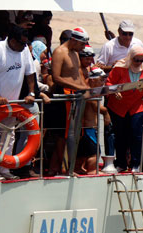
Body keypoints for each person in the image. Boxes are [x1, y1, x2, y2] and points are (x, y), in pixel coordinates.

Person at [0, 25, 37, 181]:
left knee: (9, 135)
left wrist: (31, 93)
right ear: (12, 40)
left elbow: (30, 73)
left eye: (25, 44)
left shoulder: (23, 49)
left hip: (12, 103)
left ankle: (3, 168)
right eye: (21, 44)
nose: (24, 47)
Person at [106, 46, 143, 172]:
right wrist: (115, 91)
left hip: (136, 106)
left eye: (141, 60)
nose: (138, 63)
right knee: (120, 135)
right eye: (136, 60)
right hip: (119, 106)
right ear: (130, 58)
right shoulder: (120, 67)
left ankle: (136, 163)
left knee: (137, 135)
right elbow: (109, 83)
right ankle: (121, 163)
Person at [49, 26, 90, 175]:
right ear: (73, 40)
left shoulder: (74, 53)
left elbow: (76, 75)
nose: (83, 48)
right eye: (81, 44)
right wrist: (78, 87)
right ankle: (65, 168)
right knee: (63, 135)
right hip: (65, 95)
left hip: (75, 96)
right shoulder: (60, 52)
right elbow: (57, 77)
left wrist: (85, 87)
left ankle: (64, 167)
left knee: (74, 133)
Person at [75, 67, 110, 175]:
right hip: (88, 128)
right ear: (93, 79)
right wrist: (106, 113)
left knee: (82, 153)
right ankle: (92, 170)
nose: (103, 82)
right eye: (101, 79)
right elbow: (96, 107)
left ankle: (78, 168)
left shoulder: (86, 88)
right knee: (95, 153)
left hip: (83, 128)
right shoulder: (90, 91)